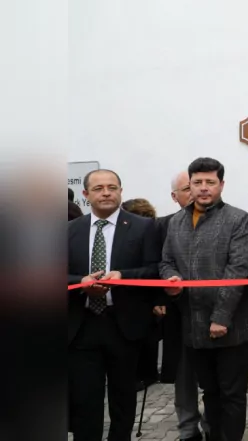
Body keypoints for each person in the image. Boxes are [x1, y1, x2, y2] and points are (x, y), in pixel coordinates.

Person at [161, 157, 248, 441]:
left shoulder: (238, 220)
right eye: (197, 183)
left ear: (221, 185)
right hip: (193, 325)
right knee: (210, 392)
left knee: (231, 394)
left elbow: (237, 271)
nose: (204, 189)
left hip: (231, 326)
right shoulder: (176, 222)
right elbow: (165, 261)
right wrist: (171, 279)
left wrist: (220, 317)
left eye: (210, 183)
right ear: (189, 185)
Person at [67, 169, 161, 441]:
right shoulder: (69, 230)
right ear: (86, 195)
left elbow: (155, 270)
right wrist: (81, 281)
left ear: (121, 191)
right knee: (85, 400)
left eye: (112, 187)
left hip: (124, 325)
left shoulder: (144, 227)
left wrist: (124, 276)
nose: (106, 192)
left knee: (123, 398)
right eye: (98, 188)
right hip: (82, 326)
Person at [157, 171, 209, 441]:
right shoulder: (164, 225)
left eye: (197, 186)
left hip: (212, 313)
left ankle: (213, 423)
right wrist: (161, 300)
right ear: (174, 196)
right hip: (178, 313)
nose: (195, 192)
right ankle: (188, 429)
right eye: (187, 188)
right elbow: (158, 265)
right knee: (184, 376)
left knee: (213, 377)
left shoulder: (221, 221)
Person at [120, 198, 162, 391]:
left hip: (144, 292)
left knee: (145, 338)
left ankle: (144, 375)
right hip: (145, 294)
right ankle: (149, 373)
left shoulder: (147, 232)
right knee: (149, 337)